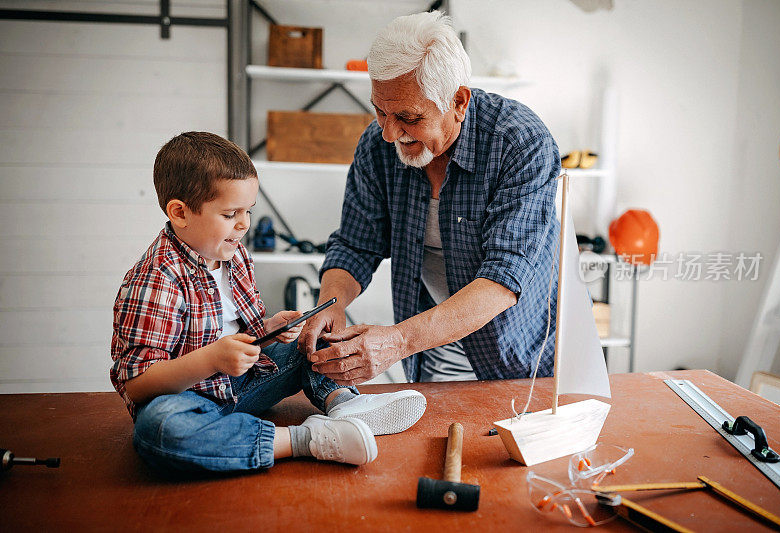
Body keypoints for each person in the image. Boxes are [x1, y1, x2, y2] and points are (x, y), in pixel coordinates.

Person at [110, 132, 426, 472]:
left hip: (243, 385)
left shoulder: (235, 256)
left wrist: (269, 330)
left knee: (311, 338)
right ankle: (309, 440)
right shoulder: (157, 277)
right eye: (231, 214)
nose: (244, 224)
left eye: (248, 211)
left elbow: (243, 331)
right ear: (180, 213)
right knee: (159, 429)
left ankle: (344, 406)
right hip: (189, 399)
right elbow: (137, 383)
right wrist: (211, 360)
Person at [299, 12, 561, 385]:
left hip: (522, 355)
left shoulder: (519, 143)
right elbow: (356, 244)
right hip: (433, 345)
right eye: (379, 111)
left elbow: (503, 279)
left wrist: (397, 340)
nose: (389, 133)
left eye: (408, 116)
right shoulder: (377, 146)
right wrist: (332, 305)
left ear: (458, 101)